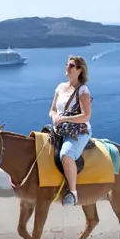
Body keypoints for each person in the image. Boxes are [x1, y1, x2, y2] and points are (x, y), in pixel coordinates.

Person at [48, 55, 92, 207]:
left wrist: (64, 119)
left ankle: (72, 193)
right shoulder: (60, 87)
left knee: (66, 154)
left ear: (79, 70)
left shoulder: (83, 90)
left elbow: (86, 115)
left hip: (78, 130)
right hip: (59, 128)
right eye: (67, 64)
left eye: (71, 65)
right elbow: (52, 110)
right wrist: (55, 117)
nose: (67, 67)